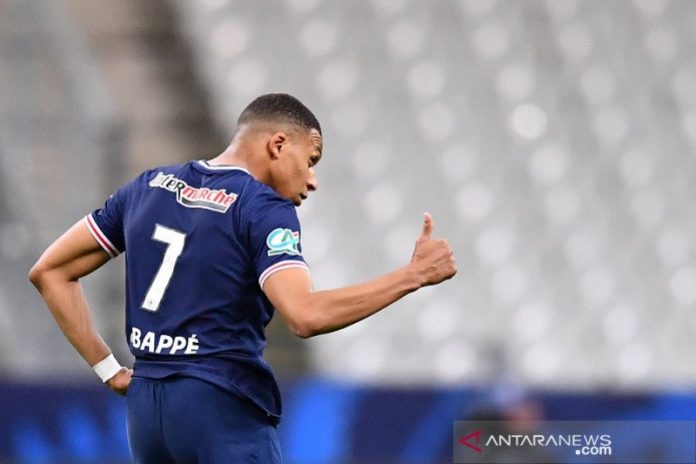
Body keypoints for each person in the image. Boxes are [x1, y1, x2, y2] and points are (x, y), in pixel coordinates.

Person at [29, 93, 457, 463]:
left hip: (146, 411)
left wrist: (107, 369)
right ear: (277, 143)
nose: (312, 180)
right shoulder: (261, 207)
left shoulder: (147, 187)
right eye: (311, 160)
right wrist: (412, 275)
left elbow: (50, 271)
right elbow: (305, 315)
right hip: (219, 406)